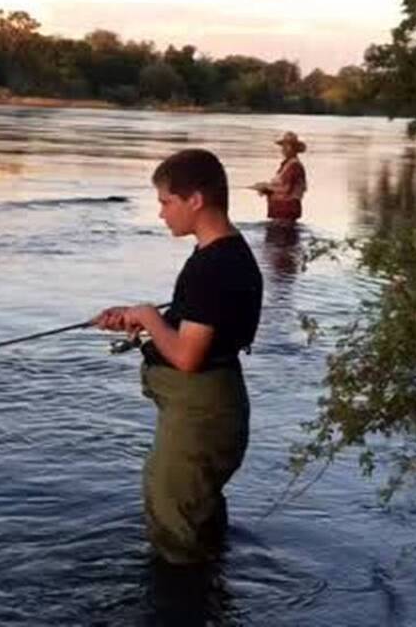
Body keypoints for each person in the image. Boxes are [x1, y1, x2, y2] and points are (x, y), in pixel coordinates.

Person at [93, 148, 263, 565]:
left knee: (175, 529)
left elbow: (187, 357)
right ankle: (209, 598)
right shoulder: (225, 255)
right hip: (212, 409)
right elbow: (195, 324)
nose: (161, 214)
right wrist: (139, 319)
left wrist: (150, 316)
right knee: (196, 516)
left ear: (196, 200)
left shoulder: (214, 267)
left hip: (200, 415)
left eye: (166, 202)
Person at [252, 131, 307, 222]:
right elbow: (281, 186)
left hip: (286, 212)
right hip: (281, 212)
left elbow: (286, 189)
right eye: (283, 146)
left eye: (287, 146)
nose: (284, 149)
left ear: (295, 149)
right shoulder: (287, 165)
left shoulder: (294, 166)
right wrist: (266, 188)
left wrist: (266, 188)